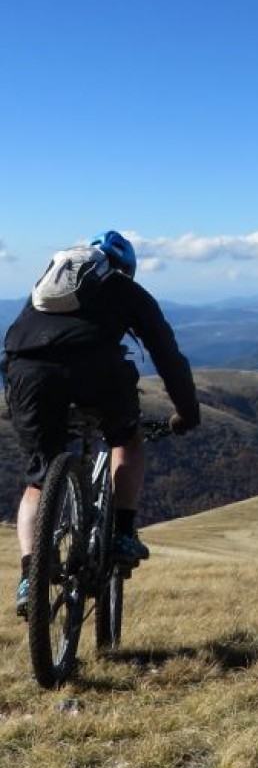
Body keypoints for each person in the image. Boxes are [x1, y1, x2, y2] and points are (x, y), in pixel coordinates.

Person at [2, 230, 201, 617]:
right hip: (98, 373)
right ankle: (124, 533)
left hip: (27, 376)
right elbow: (168, 358)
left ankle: (30, 576)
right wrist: (186, 415)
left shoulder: (44, 288)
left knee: (38, 479)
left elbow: (13, 341)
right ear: (125, 268)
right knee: (127, 439)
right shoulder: (126, 290)